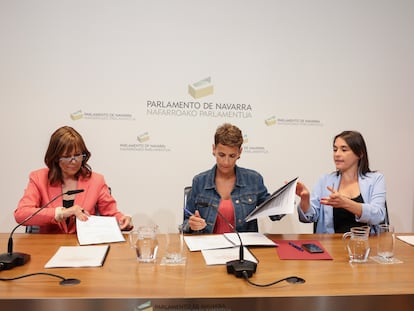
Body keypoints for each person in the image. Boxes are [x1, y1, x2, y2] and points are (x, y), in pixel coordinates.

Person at [14, 126, 133, 233]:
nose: (74, 161)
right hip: (49, 247)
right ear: (55, 158)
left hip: (84, 247)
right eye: (67, 157)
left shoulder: (96, 180)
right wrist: (62, 213)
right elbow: (21, 214)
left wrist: (122, 220)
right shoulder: (39, 178)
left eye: (78, 155)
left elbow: (111, 213)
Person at [183, 123, 277, 234]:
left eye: (232, 156)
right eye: (221, 155)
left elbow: (275, 214)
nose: (226, 162)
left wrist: (294, 198)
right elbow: (185, 223)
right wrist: (191, 224)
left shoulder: (253, 180)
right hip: (208, 247)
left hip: (243, 247)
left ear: (239, 152)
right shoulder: (199, 181)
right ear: (214, 149)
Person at [296, 130, 386, 233]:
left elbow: (378, 215)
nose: (337, 154)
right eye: (335, 150)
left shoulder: (375, 179)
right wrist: (305, 200)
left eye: (344, 150)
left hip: (366, 244)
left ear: (360, 153)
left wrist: (345, 203)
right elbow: (308, 217)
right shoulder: (325, 181)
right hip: (331, 245)